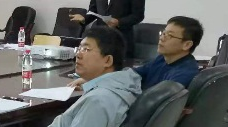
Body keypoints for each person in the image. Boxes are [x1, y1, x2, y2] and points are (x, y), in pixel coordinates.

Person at [69, 16, 203, 90]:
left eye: (170, 35)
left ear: (187, 44)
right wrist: (93, 80)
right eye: (163, 33)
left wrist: (97, 84)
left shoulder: (184, 74)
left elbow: (155, 103)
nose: (162, 38)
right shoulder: (162, 60)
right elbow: (132, 74)